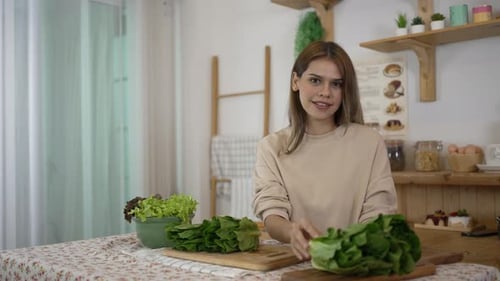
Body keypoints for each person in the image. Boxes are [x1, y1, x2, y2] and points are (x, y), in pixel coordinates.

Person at [252, 41, 397, 261]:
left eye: (336, 84)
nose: (325, 92)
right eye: (315, 80)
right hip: (296, 264)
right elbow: (272, 215)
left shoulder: (370, 142)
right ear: (295, 81)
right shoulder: (271, 147)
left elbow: (379, 214)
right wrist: (292, 232)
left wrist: (348, 254)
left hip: (355, 263)